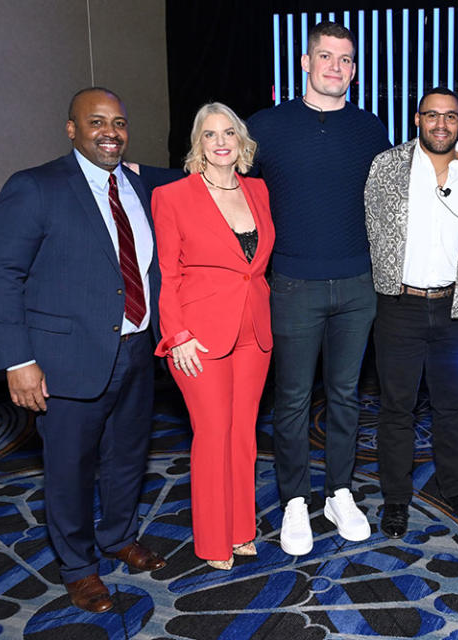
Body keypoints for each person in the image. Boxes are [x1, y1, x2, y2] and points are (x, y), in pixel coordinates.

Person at [0, 87, 166, 613]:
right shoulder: (35, 187)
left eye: (120, 123)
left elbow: (206, 176)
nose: (110, 132)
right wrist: (18, 360)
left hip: (135, 349)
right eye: (97, 122)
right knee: (69, 468)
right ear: (71, 129)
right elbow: (1, 275)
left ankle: (118, 537)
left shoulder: (142, 183)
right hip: (63, 359)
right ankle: (79, 568)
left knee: (128, 456)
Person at [246, 21, 392, 555]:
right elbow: (226, 186)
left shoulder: (370, 128)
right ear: (305, 63)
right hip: (291, 284)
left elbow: (397, 190)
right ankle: (293, 501)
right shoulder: (265, 125)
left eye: (346, 59)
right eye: (325, 56)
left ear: (354, 67)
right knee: (290, 400)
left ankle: (338, 491)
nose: (336, 66)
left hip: (359, 283)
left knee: (347, 396)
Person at [363, 87, 458, 538]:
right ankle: (396, 499)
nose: (441, 124)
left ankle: (454, 488)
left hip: (455, 308)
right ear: (416, 119)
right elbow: (369, 229)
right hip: (399, 306)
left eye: (450, 116)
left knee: (452, 406)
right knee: (397, 408)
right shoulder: (387, 166)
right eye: (432, 115)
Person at [151, 103, 274, 570]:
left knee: (243, 434)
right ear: (197, 144)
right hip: (198, 335)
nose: (220, 141)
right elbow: (165, 272)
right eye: (209, 134)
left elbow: (253, 268)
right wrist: (176, 333)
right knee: (212, 433)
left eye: (228, 133)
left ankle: (243, 529)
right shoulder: (174, 196)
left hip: (253, 332)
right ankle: (212, 541)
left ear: (241, 142)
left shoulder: (258, 191)